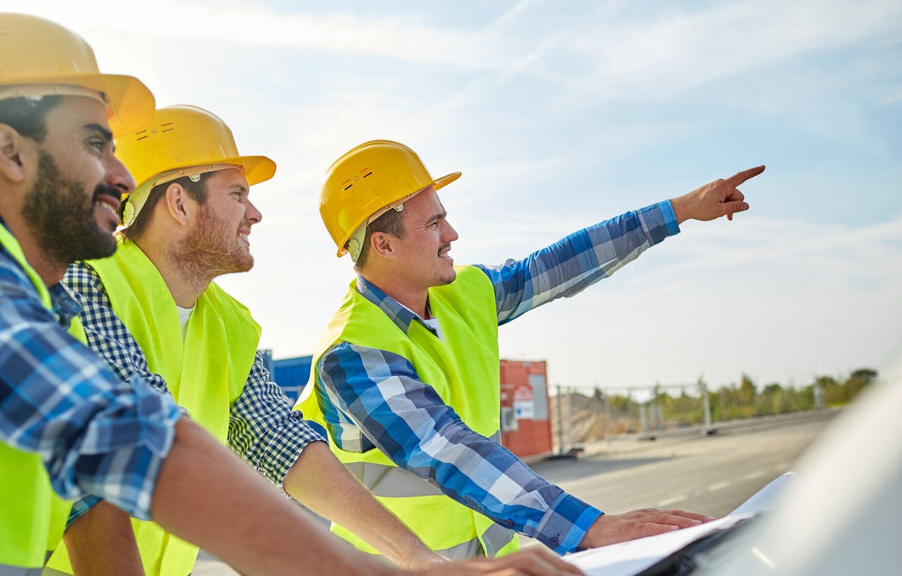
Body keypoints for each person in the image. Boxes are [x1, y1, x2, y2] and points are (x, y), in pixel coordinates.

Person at [0, 15, 580, 576]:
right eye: (96, 141)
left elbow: (276, 446)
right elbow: (121, 438)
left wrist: (414, 559)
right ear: (10, 152)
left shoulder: (181, 319)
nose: (120, 173)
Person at [47, 104, 501, 575]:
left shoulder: (227, 323)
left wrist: (417, 559)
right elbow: (148, 451)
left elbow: (283, 444)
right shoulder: (86, 283)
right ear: (180, 204)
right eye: (238, 194)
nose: (256, 214)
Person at [297, 139, 763, 559]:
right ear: (384, 244)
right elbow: (448, 450)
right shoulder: (354, 354)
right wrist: (590, 528)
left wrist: (678, 210)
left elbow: (559, 265)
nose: (452, 234)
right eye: (434, 223)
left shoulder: (464, 294)